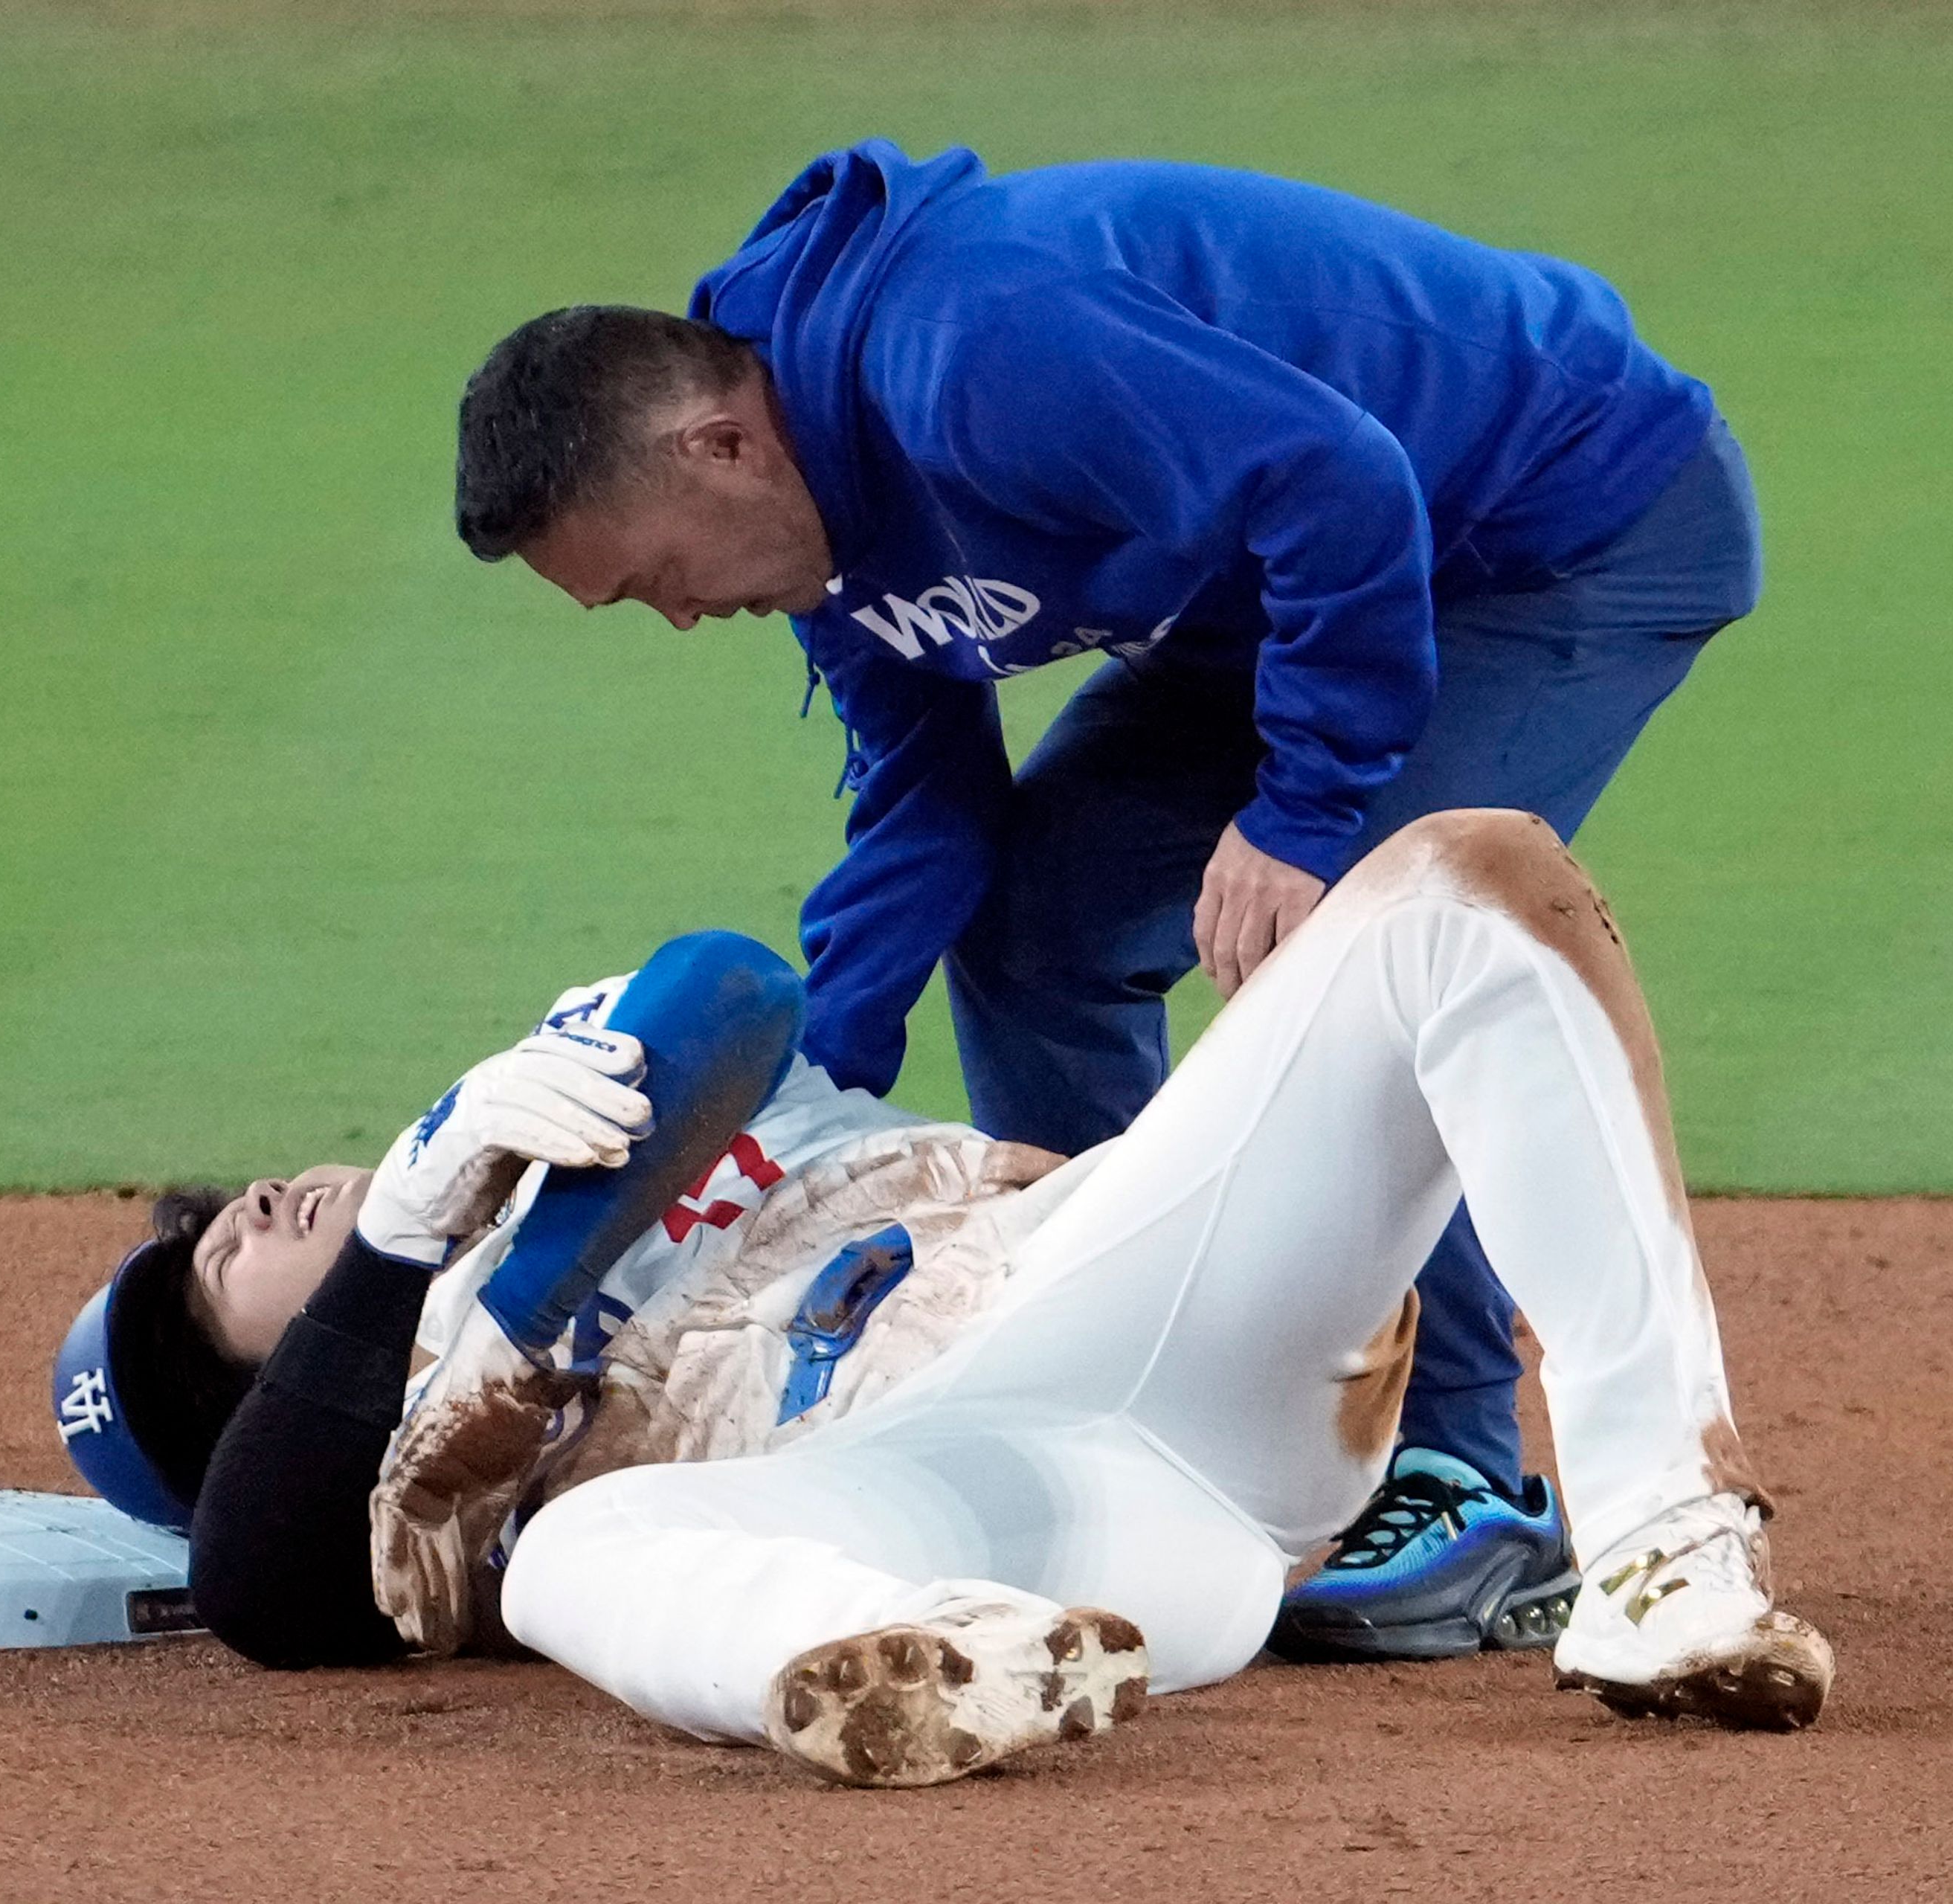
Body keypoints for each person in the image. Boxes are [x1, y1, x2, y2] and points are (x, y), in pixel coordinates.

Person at [451, 143, 1766, 1662]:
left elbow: (1343, 485)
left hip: (1551, 520)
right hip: (1277, 590)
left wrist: (1299, 810)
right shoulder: (821, 531)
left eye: (657, 576)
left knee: (1351, 948)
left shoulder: (976, 349)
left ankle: (1463, 1474)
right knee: (1032, 933)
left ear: (717, 448)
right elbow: (929, 809)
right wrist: (799, 1094)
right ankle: (1125, 1379)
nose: (680, 616)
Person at [51, 811, 1831, 1788]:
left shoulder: (538, 1104)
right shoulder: (379, 1493)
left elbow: (725, 994)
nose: (258, 1206)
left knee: (1468, 881)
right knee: (588, 1558)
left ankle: (1670, 1548)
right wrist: (401, 1261)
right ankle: (909, 1667)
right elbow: (262, 1586)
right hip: (978, 1521)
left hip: (1111, 1294)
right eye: (224, 1268)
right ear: (267, 1394)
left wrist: (485, 1183)